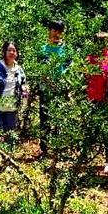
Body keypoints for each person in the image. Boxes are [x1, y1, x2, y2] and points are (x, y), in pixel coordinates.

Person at [38, 20, 71, 154]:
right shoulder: (43, 49)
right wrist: (50, 82)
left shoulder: (66, 49)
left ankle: (59, 146)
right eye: (55, 30)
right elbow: (40, 69)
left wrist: (65, 84)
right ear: (49, 31)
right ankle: (44, 147)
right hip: (46, 87)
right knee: (45, 117)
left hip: (61, 87)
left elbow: (70, 68)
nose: (57, 34)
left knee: (60, 116)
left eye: (60, 31)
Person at [85, 31, 108, 175]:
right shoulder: (90, 57)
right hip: (92, 97)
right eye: (98, 41)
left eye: (103, 41)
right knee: (90, 128)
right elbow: (85, 77)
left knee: (107, 131)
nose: (101, 44)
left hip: (106, 99)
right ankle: (87, 157)